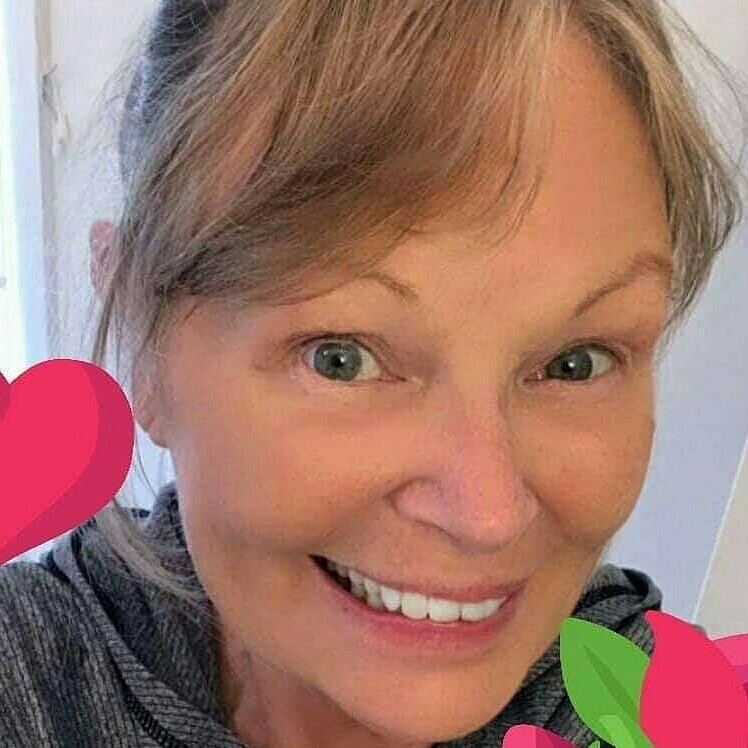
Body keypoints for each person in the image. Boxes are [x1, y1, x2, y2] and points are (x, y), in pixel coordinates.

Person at [1, 1, 744, 746]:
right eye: (342, 358)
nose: (487, 517)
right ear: (145, 340)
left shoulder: (654, 709)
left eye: (574, 364)